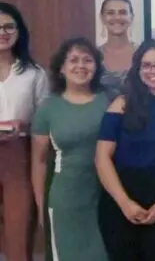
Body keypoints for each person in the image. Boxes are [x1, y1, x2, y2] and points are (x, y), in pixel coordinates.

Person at [95, 40, 155, 261]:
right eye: (146, 65)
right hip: (119, 196)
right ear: (138, 70)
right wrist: (125, 203)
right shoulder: (121, 104)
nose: (153, 70)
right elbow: (102, 157)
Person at [31, 38, 110, 261]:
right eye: (73, 60)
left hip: (106, 197)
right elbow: (39, 162)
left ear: (96, 66)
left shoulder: (109, 101)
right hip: (66, 200)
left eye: (87, 60)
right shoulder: (48, 109)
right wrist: (41, 206)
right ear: (61, 68)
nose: (81, 65)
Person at [0, 2, 48, 261]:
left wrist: (24, 126)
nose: (3, 32)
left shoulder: (33, 73)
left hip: (20, 155)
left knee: (18, 236)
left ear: (19, 32)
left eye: (9, 27)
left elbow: (45, 119)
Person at [99, 0, 137, 98]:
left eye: (123, 12)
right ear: (102, 18)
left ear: (131, 17)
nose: (117, 17)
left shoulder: (143, 54)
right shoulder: (92, 57)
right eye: (110, 13)